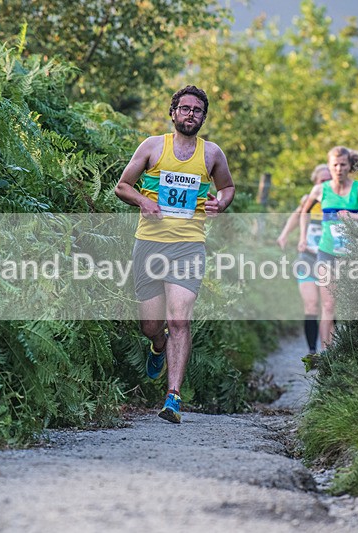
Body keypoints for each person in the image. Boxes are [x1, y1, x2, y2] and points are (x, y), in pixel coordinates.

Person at [114, 85, 235, 424]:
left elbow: (227, 187)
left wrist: (221, 202)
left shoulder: (212, 154)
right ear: (173, 113)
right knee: (151, 324)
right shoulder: (153, 146)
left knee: (180, 319)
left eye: (197, 110)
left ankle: (173, 398)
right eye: (185, 108)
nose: (190, 114)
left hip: (189, 246)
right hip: (149, 245)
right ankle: (157, 344)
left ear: (203, 117)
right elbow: (122, 186)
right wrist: (143, 201)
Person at [298, 147, 358, 349]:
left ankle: (354, 353)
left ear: (350, 166)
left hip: (354, 255)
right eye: (335, 165)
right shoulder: (321, 190)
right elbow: (303, 212)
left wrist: (354, 217)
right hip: (327, 252)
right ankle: (326, 357)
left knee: (353, 308)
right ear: (330, 166)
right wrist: (302, 237)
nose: (339, 169)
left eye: (343, 165)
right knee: (328, 305)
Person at [276, 164, 331, 359]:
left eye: (329, 179)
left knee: (328, 306)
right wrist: (284, 235)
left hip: (330, 258)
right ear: (315, 182)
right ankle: (312, 352)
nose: (326, 183)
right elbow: (296, 216)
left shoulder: (338, 201)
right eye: (322, 180)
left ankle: (330, 349)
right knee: (311, 305)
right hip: (306, 258)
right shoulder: (308, 201)